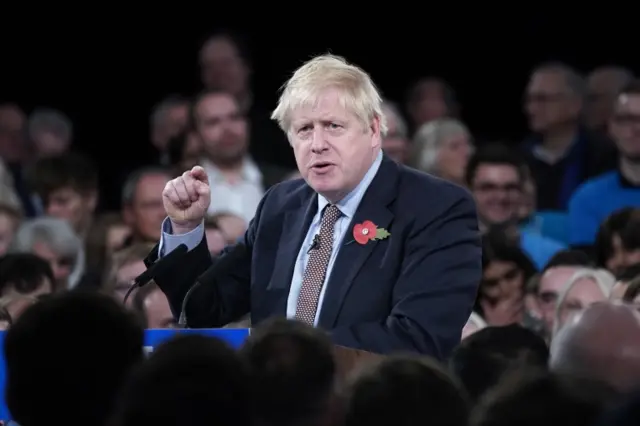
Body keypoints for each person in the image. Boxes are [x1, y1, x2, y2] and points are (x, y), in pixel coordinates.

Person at [146, 54, 482, 357]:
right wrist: (186, 229)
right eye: (304, 129)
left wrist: (289, 355)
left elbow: (420, 338)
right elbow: (203, 310)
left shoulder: (436, 208)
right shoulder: (280, 206)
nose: (318, 144)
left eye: (333, 126)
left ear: (374, 129)